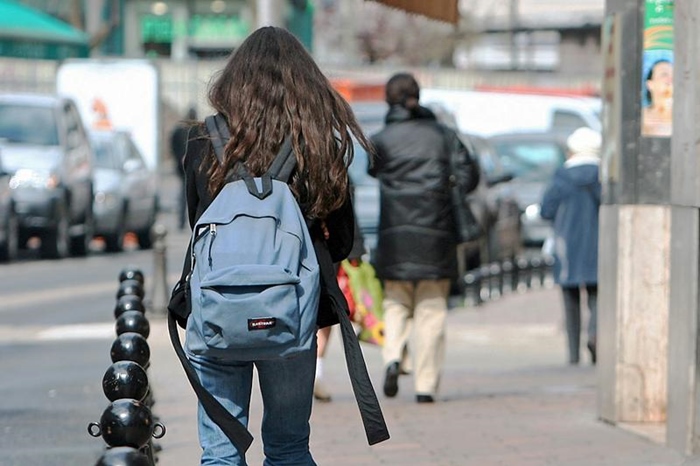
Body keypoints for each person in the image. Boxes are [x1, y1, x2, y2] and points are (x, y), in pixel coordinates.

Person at [179, 26, 372, 464]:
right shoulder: (318, 143)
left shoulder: (204, 140)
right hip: (291, 311)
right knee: (289, 448)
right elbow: (342, 240)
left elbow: (198, 224)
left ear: (232, 81)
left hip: (218, 306)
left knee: (220, 452)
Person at [368, 72, 479, 403]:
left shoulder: (381, 139)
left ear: (388, 101)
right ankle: (425, 385)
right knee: (431, 309)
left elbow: (372, 170)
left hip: (394, 236)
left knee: (395, 302)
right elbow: (470, 175)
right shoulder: (443, 136)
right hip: (437, 235)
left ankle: (392, 357)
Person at [540, 127, 602, 365]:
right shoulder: (601, 175)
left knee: (570, 302)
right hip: (597, 245)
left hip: (567, 246)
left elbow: (547, 210)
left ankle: (573, 353)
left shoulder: (562, 176)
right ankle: (595, 334)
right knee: (597, 297)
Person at [170, 106, 197, 230]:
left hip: (183, 166)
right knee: (188, 194)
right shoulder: (194, 131)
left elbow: (173, 146)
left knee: (184, 193)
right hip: (189, 166)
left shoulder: (180, 130)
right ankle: (186, 221)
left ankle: (182, 221)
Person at [641, 58, 673, 137]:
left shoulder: (688, 116)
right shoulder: (641, 117)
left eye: (674, 75)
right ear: (650, 84)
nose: (670, 79)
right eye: (664, 74)